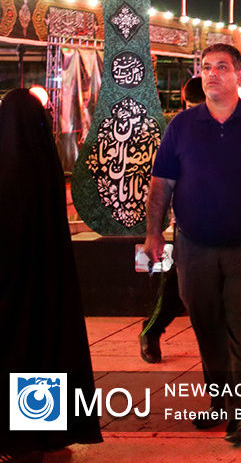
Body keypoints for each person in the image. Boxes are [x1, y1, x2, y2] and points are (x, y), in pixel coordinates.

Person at [145, 43, 241, 445]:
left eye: (222, 67)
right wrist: (153, 234)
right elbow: (162, 183)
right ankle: (221, 404)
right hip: (195, 248)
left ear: (240, 75)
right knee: (208, 328)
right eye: (207, 67)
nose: (212, 73)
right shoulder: (182, 126)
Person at [0, 89, 102, 457]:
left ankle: (10, 437)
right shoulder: (46, 165)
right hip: (43, 283)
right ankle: (42, 431)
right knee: (44, 349)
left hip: (7, 285)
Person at [139, 75, 204, 363]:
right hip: (188, 221)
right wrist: (155, 230)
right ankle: (151, 331)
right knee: (176, 281)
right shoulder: (177, 129)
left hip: (224, 221)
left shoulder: (227, 127)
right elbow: (161, 181)